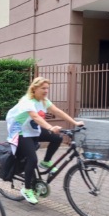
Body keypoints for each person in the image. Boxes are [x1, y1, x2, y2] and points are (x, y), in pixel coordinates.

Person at [6, 76, 84, 204]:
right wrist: (50, 127)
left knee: (57, 138)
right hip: (19, 131)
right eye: (43, 88)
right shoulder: (27, 101)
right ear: (34, 88)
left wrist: (74, 122)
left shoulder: (43, 100)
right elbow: (35, 117)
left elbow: (58, 111)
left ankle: (46, 162)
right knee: (32, 159)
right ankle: (26, 189)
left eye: (47, 88)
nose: (46, 91)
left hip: (32, 129)